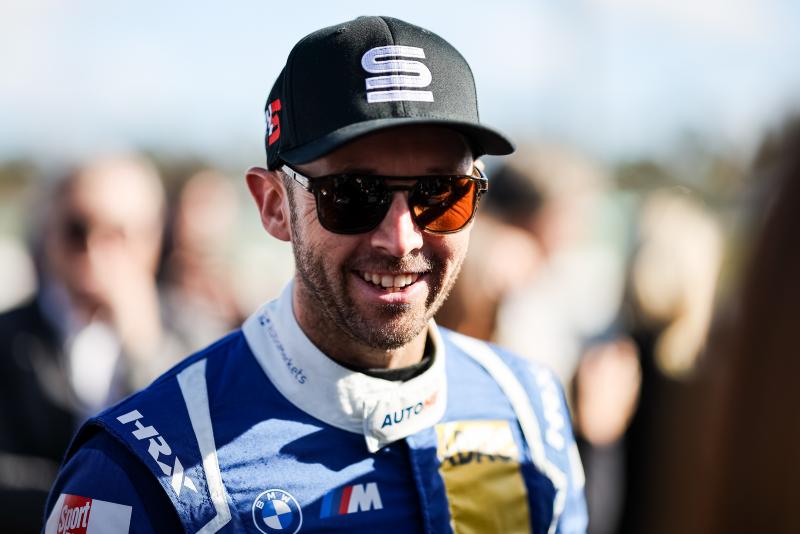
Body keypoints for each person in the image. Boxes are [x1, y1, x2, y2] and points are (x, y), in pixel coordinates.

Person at [43, 16, 587, 533]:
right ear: (274, 206)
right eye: (352, 195)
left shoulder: (530, 405)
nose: (401, 239)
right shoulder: (139, 467)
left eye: (441, 193)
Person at [0, 156, 183, 532]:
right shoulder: (7, 338)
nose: (96, 249)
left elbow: (196, 464)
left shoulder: (194, 334)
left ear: (153, 237)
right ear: (48, 233)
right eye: (77, 230)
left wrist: (146, 350)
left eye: (119, 232)